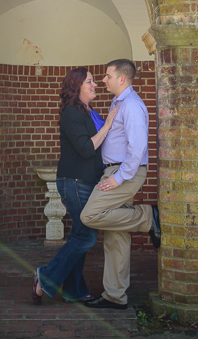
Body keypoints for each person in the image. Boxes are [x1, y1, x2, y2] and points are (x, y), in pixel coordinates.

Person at [80, 58, 161, 310]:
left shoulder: (132, 105)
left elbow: (138, 148)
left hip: (124, 172)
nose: (103, 80)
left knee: (91, 215)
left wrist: (118, 177)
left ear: (121, 79)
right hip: (116, 171)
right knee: (116, 237)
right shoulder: (119, 102)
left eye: (107, 76)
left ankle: (147, 216)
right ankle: (115, 295)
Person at [32, 67, 119, 305]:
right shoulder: (71, 113)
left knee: (79, 235)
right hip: (74, 181)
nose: (95, 85)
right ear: (77, 86)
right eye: (89, 82)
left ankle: (73, 289)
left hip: (89, 181)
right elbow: (85, 148)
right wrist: (108, 124)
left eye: (93, 81)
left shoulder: (90, 112)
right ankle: (45, 277)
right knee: (87, 238)